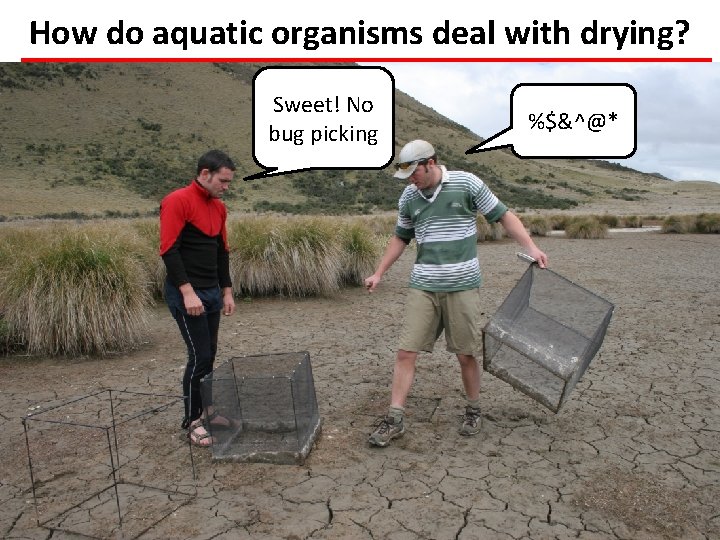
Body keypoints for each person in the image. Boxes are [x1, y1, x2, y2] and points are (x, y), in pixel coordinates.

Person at [365, 140, 548, 447]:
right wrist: (379, 272)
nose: (411, 180)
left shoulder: (466, 184)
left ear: (430, 163)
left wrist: (531, 247)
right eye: (407, 175)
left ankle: (473, 410)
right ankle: (394, 419)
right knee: (406, 352)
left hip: (462, 285)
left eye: (414, 173)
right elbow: (401, 238)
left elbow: (503, 215)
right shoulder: (409, 196)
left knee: (465, 354)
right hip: (423, 286)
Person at [159, 149, 237, 447]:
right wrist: (187, 292)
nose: (226, 187)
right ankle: (192, 421)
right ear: (205, 174)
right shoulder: (177, 200)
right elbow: (169, 250)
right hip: (187, 293)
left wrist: (226, 291)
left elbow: (221, 252)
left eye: (228, 182)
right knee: (199, 356)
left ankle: (209, 411)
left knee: (210, 353)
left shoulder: (218, 207)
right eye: (222, 181)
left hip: (211, 292)